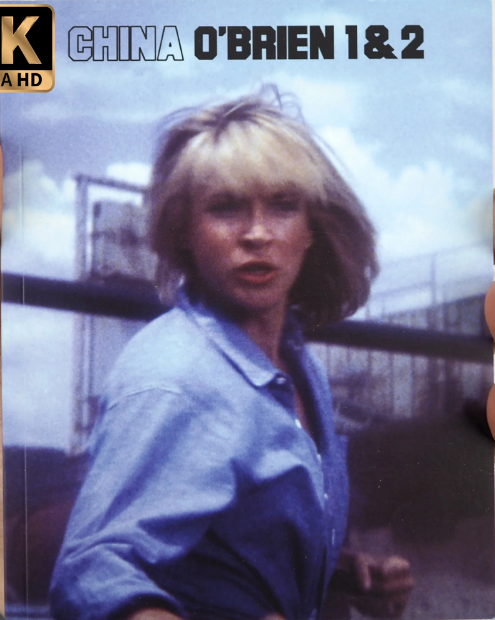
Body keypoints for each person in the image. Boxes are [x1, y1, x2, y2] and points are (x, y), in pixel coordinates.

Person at [50, 87, 412, 620]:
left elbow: (223, 550)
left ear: (312, 229)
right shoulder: (173, 376)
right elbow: (90, 574)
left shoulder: (296, 364)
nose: (257, 234)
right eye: (225, 208)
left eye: (283, 205)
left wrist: (342, 573)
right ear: (184, 232)